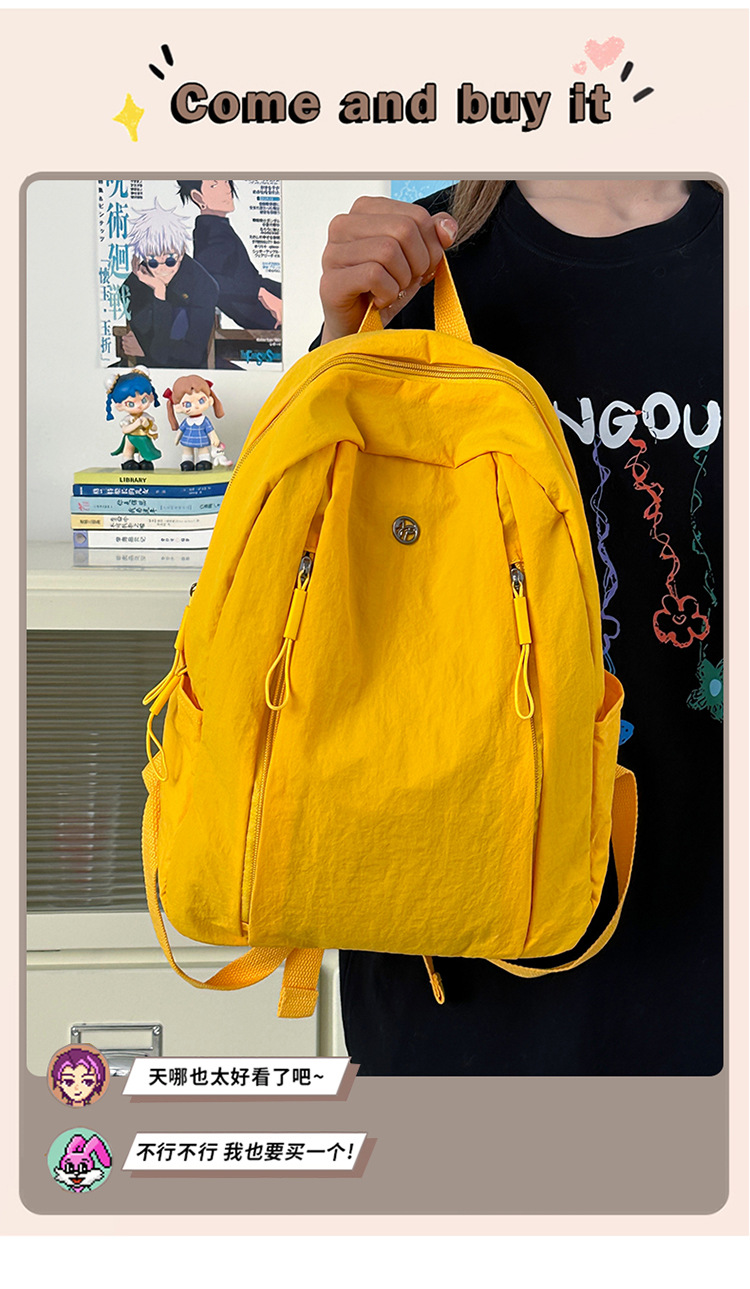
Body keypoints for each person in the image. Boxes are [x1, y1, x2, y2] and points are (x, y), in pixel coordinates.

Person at [317, 180, 723, 1076]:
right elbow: (313, 574)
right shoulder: (419, 257)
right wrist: (344, 339)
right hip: (454, 961)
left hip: (708, 955)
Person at [120, 199, 219, 369]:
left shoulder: (203, 285)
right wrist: (159, 293)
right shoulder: (136, 283)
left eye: (170, 261)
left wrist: (147, 350)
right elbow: (139, 338)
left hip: (190, 370)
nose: (162, 269)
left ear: (181, 252)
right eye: (153, 262)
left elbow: (193, 354)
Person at [177, 179, 283, 329]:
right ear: (198, 198)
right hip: (251, 306)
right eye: (214, 185)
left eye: (226, 182)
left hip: (254, 297)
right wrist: (261, 293)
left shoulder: (217, 226)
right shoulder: (211, 231)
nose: (227, 189)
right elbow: (211, 281)